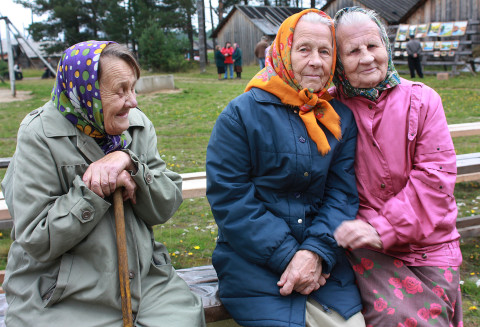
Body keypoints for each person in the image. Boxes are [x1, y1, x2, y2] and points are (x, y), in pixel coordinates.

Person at [0, 40, 205, 327]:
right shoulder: (39, 135)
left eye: (133, 87)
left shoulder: (136, 123)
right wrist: (95, 190)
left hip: (146, 285)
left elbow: (164, 207)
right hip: (63, 295)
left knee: (186, 321)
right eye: (120, 91)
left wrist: (131, 165)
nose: (133, 101)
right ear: (87, 91)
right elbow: (37, 239)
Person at [206, 9, 365, 327]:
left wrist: (315, 253)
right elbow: (231, 197)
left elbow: (342, 195)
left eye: (325, 51)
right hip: (253, 261)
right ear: (283, 51)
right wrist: (289, 257)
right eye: (304, 49)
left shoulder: (339, 118)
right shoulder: (242, 114)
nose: (316, 61)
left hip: (323, 263)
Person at [331, 7, 462, 327]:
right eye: (352, 50)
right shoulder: (329, 108)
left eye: (373, 46)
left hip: (431, 242)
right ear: (337, 61)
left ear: (386, 48)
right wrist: (369, 232)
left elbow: (436, 179)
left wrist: (383, 227)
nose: (366, 58)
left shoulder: (423, 99)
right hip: (366, 248)